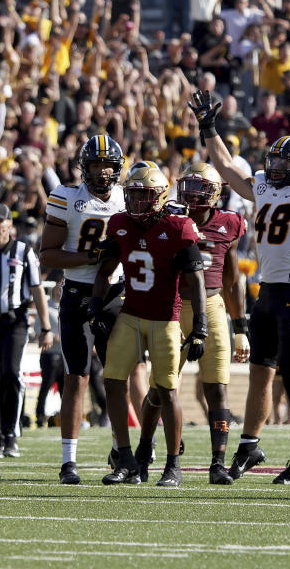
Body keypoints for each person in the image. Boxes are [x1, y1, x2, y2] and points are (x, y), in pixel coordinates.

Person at [197, 89, 290, 484]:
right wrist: (209, 128)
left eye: (281, 162)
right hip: (266, 292)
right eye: (271, 161)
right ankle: (249, 445)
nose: (272, 168)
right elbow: (225, 167)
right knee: (260, 371)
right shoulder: (265, 187)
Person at [134, 163, 248, 485]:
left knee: (216, 387)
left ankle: (218, 463)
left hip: (212, 306)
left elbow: (232, 279)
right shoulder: (169, 217)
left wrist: (240, 328)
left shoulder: (229, 223)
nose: (192, 196)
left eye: (200, 189)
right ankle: (145, 451)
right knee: (160, 387)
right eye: (188, 188)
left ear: (214, 194)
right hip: (173, 305)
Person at [93, 166, 206, 487]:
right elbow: (105, 270)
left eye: (144, 194)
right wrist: (95, 307)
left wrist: (200, 326)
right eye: (133, 194)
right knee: (112, 380)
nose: (137, 201)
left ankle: (172, 465)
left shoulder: (178, 226)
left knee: (167, 391)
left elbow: (196, 280)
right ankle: (126, 458)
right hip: (131, 313)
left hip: (165, 319)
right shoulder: (120, 224)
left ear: (159, 197)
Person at [39, 135, 126, 485]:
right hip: (77, 292)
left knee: (119, 376)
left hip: (116, 294)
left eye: (108, 165)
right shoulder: (66, 196)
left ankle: (124, 452)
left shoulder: (126, 197)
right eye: (95, 164)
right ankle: (68, 461)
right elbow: (48, 254)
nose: (102, 172)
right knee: (76, 376)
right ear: (84, 167)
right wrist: (94, 257)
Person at [0, 203, 53, 457]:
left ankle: (11, 434)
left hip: (15, 320)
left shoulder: (23, 251)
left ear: (9, 225)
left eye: (0, 222)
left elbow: (36, 289)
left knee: (10, 374)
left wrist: (46, 327)